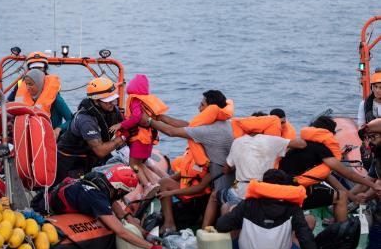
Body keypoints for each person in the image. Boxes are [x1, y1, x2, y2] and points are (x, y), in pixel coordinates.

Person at [215, 169, 337, 249]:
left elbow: (221, 226)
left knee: (231, 211)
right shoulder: (293, 208)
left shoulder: (248, 203)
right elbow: (306, 238)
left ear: (263, 184)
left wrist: (238, 218)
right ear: (284, 186)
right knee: (309, 221)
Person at [148, 90, 234, 234]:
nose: (198, 108)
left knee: (165, 184)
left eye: (202, 105)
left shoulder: (208, 131)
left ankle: (171, 225)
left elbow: (172, 132)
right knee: (166, 181)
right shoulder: (225, 124)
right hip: (218, 183)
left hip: (211, 191)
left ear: (210, 109)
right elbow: (184, 125)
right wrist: (160, 117)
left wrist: (149, 121)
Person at [32, 165, 164, 249]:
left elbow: (115, 206)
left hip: (52, 194)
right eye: (123, 193)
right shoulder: (97, 198)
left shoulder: (101, 179)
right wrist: (151, 247)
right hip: (44, 208)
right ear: (118, 189)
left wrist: (144, 233)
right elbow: (121, 231)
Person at [279, 116, 381, 222]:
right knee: (341, 196)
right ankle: (342, 230)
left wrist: (353, 198)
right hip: (292, 193)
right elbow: (348, 174)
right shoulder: (321, 149)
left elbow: (330, 178)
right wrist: (373, 186)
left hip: (280, 190)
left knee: (341, 194)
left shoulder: (302, 145)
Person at [220, 115, 306, 209]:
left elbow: (226, 170)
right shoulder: (273, 140)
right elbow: (302, 144)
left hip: (240, 194)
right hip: (264, 193)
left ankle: (208, 223)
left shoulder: (237, 141)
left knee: (215, 197)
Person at [55, 77, 125, 183]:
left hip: (92, 158)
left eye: (114, 99)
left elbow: (126, 124)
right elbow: (100, 151)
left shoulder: (111, 109)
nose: (113, 103)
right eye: (108, 101)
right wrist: (121, 139)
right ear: (96, 101)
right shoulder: (86, 120)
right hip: (72, 163)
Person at [109, 74, 167, 191]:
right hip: (148, 138)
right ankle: (155, 184)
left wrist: (120, 124)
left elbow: (136, 118)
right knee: (141, 163)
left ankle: (147, 186)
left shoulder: (135, 99)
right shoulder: (145, 101)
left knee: (133, 164)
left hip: (139, 138)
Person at [17, 69, 72, 138]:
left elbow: (72, 119)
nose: (28, 88)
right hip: (30, 138)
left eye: (30, 84)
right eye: (26, 84)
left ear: (39, 83)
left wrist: (59, 129)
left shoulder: (56, 99)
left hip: (51, 139)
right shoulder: (25, 99)